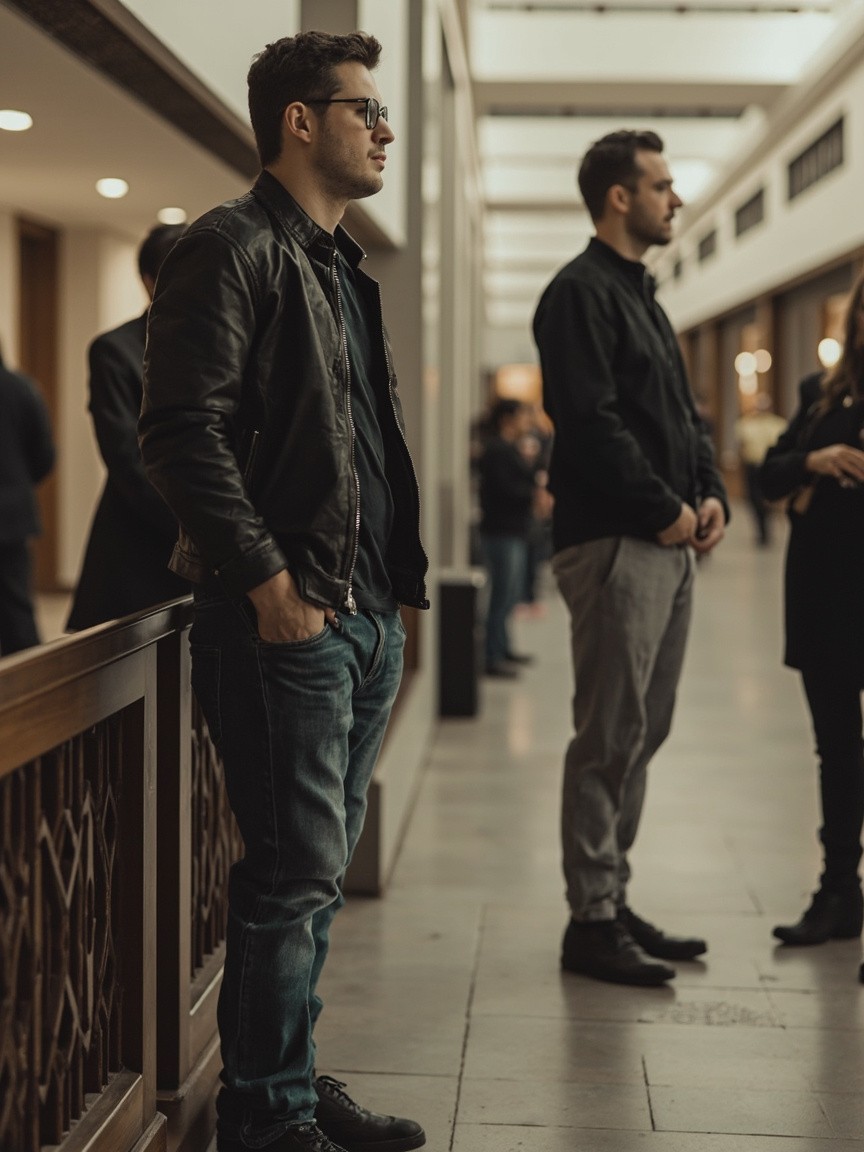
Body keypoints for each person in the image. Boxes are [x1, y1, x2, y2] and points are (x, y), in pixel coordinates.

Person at [139, 31, 428, 1152]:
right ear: (298, 120)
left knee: (316, 878)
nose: (384, 127)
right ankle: (265, 1116)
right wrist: (269, 584)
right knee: (289, 875)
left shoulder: (339, 265)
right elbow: (181, 432)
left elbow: (355, 450)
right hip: (288, 619)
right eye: (365, 109)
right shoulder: (233, 244)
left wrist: (378, 601)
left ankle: (290, 1078)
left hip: (357, 618)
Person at [532, 130, 729, 987]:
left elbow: (684, 416)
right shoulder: (578, 294)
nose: (675, 199)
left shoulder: (643, 294)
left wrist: (710, 488)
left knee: (643, 729)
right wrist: (667, 510)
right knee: (609, 733)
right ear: (621, 196)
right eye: (663, 185)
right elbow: (591, 421)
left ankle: (611, 893)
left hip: (668, 538)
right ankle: (591, 920)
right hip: (619, 541)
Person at [760, 271, 864, 947]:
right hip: (826, 591)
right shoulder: (821, 394)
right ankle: (838, 893)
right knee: (837, 749)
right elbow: (770, 472)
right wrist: (815, 460)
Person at [66, 225, 188, 630]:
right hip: (139, 538)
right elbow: (127, 458)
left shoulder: (224, 344)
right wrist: (202, 527)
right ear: (149, 281)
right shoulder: (115, 350)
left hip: (207, 538)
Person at [0, 341, 55, 656]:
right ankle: (27, 696)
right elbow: (44, 455)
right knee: (18, 614)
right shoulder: (23, 388)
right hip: (14, 516)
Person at [477, 398, 538, 676]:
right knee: (502, 594)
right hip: (501, 531)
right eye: (521, 416)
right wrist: (533, 495)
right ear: (507, 419)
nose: (526, 422)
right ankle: (492, 654)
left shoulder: (506, 448)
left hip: (511, 529)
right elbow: (505, 490)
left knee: (509, 593)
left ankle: (503, 647)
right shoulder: (497, 449)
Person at [734, 396, 787, 546]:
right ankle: (761, 529)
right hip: (752, 466)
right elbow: (742, 446)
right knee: (753, 498)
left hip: (769, 465)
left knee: (768, 498)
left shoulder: (778, 424)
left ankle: (766, 529)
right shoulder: (746, 424)